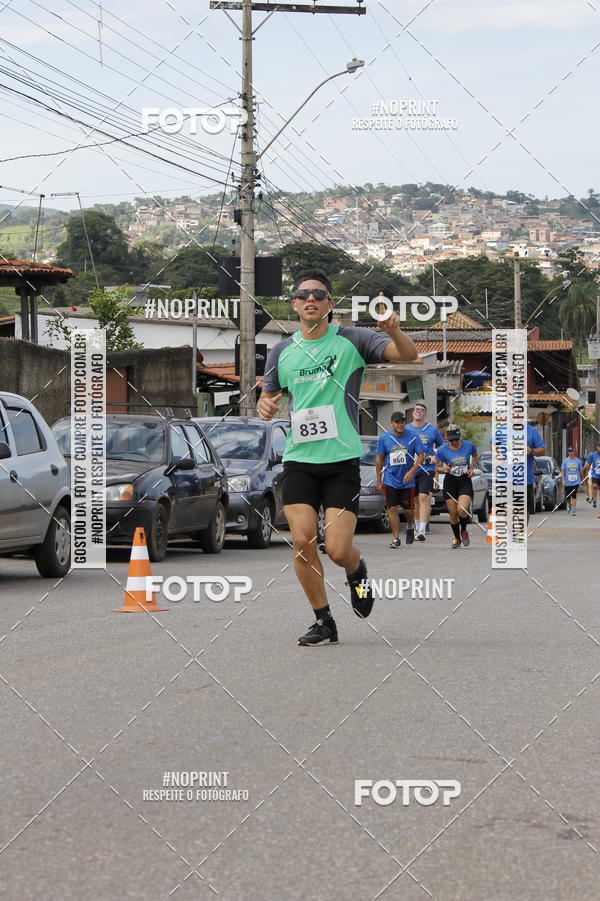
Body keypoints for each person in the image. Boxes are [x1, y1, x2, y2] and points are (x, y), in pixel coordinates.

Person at [258, 272, 419, 646]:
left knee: (338, 549)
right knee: (301, 540)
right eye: (303, 294)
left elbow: (408, 358)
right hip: (300, 458)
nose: (311, 299)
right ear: (295, 305)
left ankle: (357, 571)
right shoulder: (281, 351)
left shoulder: (352, 339)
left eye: (319, 294)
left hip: (341, 461)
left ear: (330, 304)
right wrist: (266, 404)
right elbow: (269, 396)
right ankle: (323, 619)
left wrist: (394, 330)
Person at [375, 412, 425, 548]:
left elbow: (421, 455)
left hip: (407, 480)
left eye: (402, 421)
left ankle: (410, 527)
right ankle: (396, 538)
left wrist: (411, 471)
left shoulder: (413, 436)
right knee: (392, 508)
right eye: (397, 422)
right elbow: (379, 459)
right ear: (392, 424)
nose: (400, 424)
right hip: (390, 479)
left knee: (408, 510)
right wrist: (379, 480)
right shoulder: (385, 438)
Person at [490, 421, 545, 525]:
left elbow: (542, 450)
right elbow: (492, 445)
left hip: (525, 478)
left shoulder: (531, 431)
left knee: (524, 509)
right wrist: (497, 455)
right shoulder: (502, 430)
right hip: (506, 477)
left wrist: (531, 451)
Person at [436, 425, 478, 548]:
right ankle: (457, 538)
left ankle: (464, 530)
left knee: (462, 509)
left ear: (459, 437)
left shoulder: (469, 445)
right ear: (447, 439)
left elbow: (475, 456)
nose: (454, 442)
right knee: (453, 513)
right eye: (451, 440)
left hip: (464, 481)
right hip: (450, 482)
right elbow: (437, 468)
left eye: (456, 439)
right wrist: (443, 469)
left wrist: (471, 467)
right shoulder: (442, 450)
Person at [409, 402, 444, 540]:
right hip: (412, 469)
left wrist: (436, 457)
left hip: (426, 468)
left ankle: (422, 530)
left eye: (422, 410)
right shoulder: (406, 429)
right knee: (415, 500)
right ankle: (417, 527)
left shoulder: (432, 430)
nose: (419, 412)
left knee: (424, 497)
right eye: (416, 409)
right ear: (413, 413)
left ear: (425, 414)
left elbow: (443, 447)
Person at [561, 447, 583, 515]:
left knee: (574, 495)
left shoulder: (578, 461)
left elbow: (580, 470)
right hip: (567, 481)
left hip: (576, 481)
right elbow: (562, 471)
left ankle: (573, 510)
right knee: (568, 496)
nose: (571, 453)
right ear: (568, 452)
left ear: (574, 452)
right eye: (569, 452)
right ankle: (569, 506)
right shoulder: (565, 461)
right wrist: (563, 480)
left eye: (572, 451)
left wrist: (582, 479)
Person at [583, 441, 600, 508]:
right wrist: (587, 473)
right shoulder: (592, 455)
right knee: (594, 486)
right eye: (599, 447)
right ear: (597, 448)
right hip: (595, 474)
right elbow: (588, 464)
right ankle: (594, 500)